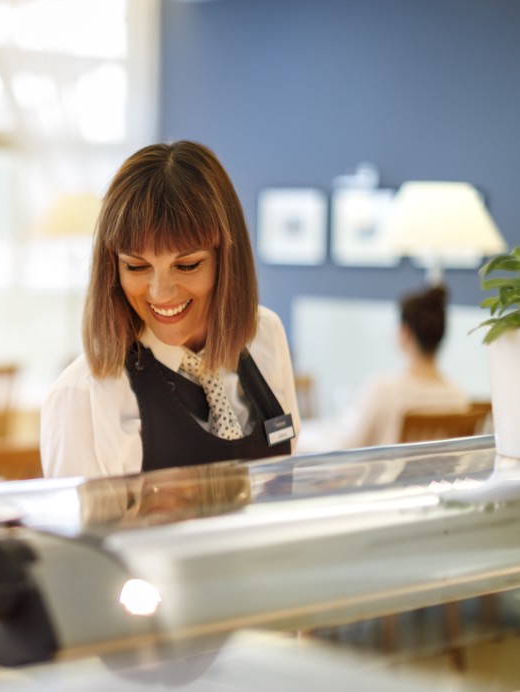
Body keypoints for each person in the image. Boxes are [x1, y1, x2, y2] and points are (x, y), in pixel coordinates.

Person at [40, 140, 299, 479]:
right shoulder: (82, 396)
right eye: (136, 267)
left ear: (227, 261)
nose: (160, 293)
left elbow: (286, 480)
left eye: (187, 265)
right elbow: (82, 532)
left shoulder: (265, 333)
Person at [299, 284, 469, 452]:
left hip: (385, 478)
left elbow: (345, 450)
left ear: (404, 333)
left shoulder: (383, 389)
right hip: (436, 480)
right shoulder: (457, 395)